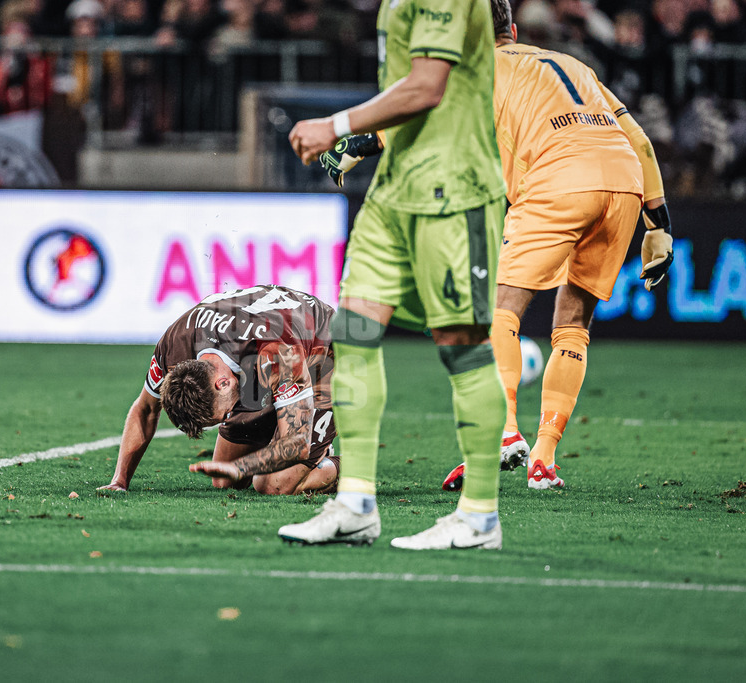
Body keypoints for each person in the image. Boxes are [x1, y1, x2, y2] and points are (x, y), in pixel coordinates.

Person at [279, 0, 508, 550]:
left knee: (462, 348)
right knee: (352, 334)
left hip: (452, 194)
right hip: (393, 193)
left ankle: (480, 515)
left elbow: (427, 86)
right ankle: (356, 504)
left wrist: (335, 126)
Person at [446, 0, 674, 490]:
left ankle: (504, 430)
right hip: (623, 184)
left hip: (559, 178)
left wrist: (360, 141)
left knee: (500, 310)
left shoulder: (474, 68)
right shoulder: (572, 64)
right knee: (573, 324)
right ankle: (544, 458)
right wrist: (659, 225)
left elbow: (419, 116)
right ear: (512, 27)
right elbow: (641, 141)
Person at [98, 285, 339, 496]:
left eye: (225, 415)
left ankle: (350, 466)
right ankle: (299, 438)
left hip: (324, 352)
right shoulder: (174, 346)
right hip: (258, 357)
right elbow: (146, 410)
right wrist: (120, 481)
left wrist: (240, 466)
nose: (229, 418)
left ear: (222, 383)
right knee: (225, 481)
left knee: (272, 484)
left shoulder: (277, 352)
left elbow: (296, 442)